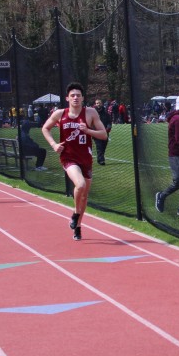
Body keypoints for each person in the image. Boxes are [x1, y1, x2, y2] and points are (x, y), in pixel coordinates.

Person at [41, 82, 108, 240]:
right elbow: (45, 128)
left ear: (83, 98)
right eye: (72, 95)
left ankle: (77, 226)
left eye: (78, 95)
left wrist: (88, 130)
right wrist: (54, 144)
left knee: (84, 196)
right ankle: (75, 215)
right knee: (80, 185)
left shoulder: (90, 113)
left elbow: (104, 134)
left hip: (86, 158)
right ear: (67, 98)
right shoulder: (60, 114)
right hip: (69, 157)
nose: (75, 98)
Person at [93, 99, 113, 165]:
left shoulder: (106, 113)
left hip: (105, 133)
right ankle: (101, 160)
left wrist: (108, 128)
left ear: (102, 104)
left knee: (103, 147)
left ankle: (100, 158)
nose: (98, 104)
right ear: (95, 104)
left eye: (99, 103)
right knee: (99, 146)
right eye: (97, 103)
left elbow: (109, 122)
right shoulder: (93, 113)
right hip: (96, 133)